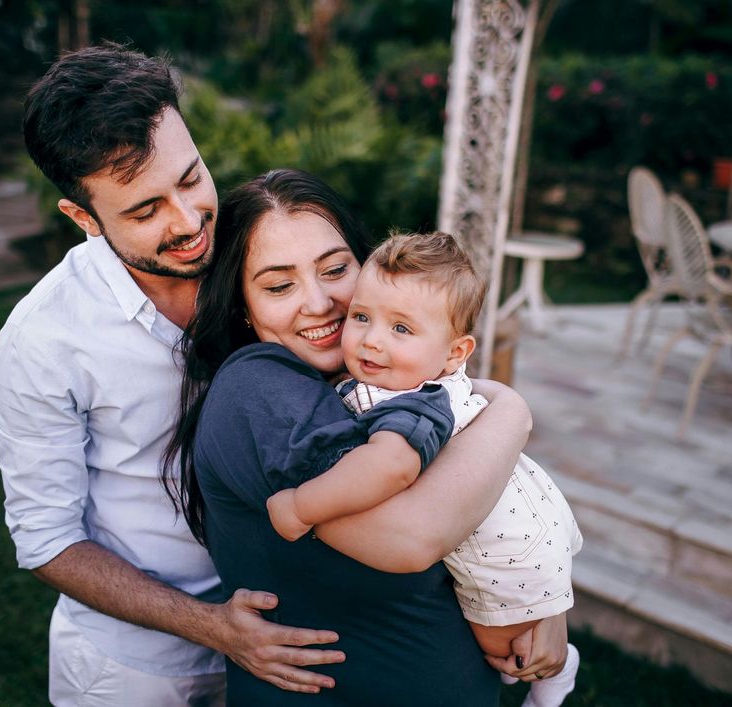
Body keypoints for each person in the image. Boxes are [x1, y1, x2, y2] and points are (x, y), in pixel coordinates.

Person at [0, 44, 348, 706]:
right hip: (130, 667)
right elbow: (48, 541)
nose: (188, 224)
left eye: (190, 180)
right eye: (145, 209)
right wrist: (212, 627)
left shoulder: (254, 255)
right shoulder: (42, 340)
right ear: (84, 220)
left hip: (289, 630)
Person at [170, 169, 570, 706]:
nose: (319, 303)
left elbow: (486, 500)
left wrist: (542, 600)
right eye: (279, 285)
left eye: (336, 270)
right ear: (243, 305)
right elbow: (412, 536)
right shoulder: (257, 387)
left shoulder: (368, 384)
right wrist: (511, 411)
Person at [265, 231, 583, 707]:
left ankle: (554, 684)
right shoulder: (410, 378)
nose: (371, 340)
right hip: (519, 500)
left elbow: (388, 468)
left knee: (508, 650)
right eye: (361, 317)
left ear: (455, 354)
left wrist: (300, 506)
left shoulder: (413, 405)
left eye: (401, 329)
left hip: (507, 543)